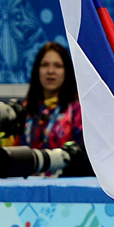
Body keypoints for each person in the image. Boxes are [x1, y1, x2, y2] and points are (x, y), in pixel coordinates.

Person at [19, 42, 90, 176]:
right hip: (27, 183)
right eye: (45, 65)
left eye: (58, 66)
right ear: (37, 70)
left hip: (65, 183)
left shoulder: (77, 111)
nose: (50, 71)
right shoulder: (25, 110)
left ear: (67, 72)